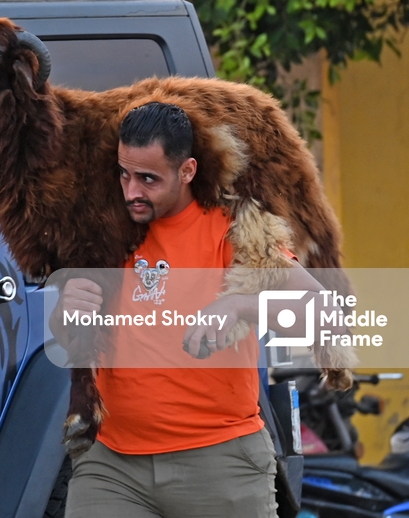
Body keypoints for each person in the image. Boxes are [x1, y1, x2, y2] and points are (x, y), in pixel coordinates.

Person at [60, 102, 334, 518]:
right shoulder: (105, 228)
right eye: (124, 174)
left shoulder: (231, 229)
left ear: (186, 171)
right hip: (112, 466)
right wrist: (68, 311)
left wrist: (241, 304)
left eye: (149, 179)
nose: (132, 191)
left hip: (219, 463)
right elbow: (66, 336)